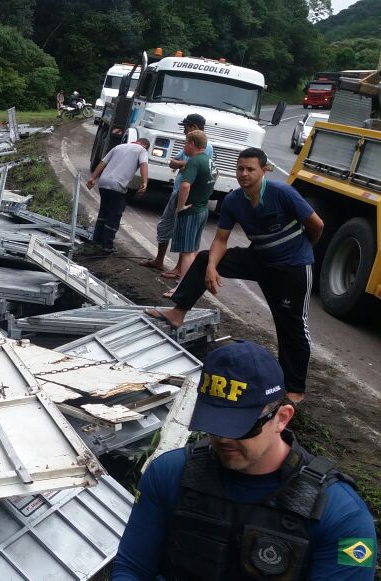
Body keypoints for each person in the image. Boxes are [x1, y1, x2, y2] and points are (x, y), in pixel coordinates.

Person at [113, 341, 376, 580]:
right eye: (214, 423)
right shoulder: (169, 474)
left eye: (240, 427)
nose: (224, 438)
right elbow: (132, 568)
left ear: (282, 418)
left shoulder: (342, 516)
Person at [145, 147, 323, 402]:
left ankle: (294, 389)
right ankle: (178, 312)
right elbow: (220, 240)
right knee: (205, 258)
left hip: (292, 267)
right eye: (240, 169)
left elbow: (317, 225)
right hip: (260, 259)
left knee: (291, 325)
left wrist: (301, 251)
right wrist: (211, 267)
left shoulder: (281, 193)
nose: (244, 174)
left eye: (250, 169)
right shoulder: (233, 200)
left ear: (264, 170)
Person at [141, 113, 215, 277]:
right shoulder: (195, 149)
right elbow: (173, 162)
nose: (183, 130)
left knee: (185, 237)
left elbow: (191, 177)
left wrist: (181, 205)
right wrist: (184, 164)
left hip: (187, 197)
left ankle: (181, 274)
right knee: (175, 231)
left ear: (193, 127)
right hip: (183, 195)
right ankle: (166, 263)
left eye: (186, 127)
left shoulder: (203, 149)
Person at [163, 129, 216, 298]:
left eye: (186, 142)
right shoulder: (210, 161)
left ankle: (182, 288)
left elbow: (185, 185)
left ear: (192, 143)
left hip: (191, 211)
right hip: (202, 209)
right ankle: (189, 284)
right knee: (192, 250)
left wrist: (180, 206)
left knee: (186, 252)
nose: (184, 146)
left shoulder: (194, 161)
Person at [85, 138, 150, 253]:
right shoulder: (142, 150)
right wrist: (145, 182)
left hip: (103, 183)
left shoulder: (118, 147)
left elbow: (103, 162)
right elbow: (144, 164)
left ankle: (96, 240)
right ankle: (107, 246)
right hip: (117, 185)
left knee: (103, 211)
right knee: (114, 215)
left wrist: (92, 178)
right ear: (145, 145)